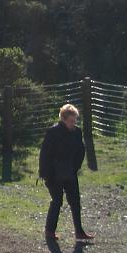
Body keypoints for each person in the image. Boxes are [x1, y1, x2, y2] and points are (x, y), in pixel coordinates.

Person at [39, 103, 95, 242]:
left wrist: (75, 167)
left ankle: (79, 232)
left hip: (69, 171)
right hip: (53, 173)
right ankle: (49, 231)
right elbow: (44, 154)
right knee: (57, 201)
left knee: (75, 201)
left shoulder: (77, 132)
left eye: (75, 120)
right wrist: (45, 173)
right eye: (71, 120)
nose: (73, 123)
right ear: (63, 119)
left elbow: (80, 151)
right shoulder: (53, 132)